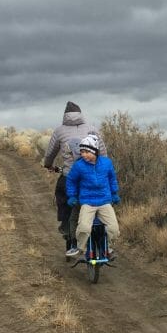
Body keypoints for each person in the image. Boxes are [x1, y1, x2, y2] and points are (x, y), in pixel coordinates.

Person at [41, 101, 107, 242]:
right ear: (80, 114)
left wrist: (48, 165)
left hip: (70, 175)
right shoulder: (93, 129)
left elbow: (50, 153)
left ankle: (66, 225)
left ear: (65, 115)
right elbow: (103, 154)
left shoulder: (60, 131)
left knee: (62, 192)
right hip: (92, 175)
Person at [64, 133, 120, 258]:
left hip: (104, 201)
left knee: (113, 228)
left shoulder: (106, 163)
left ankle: (107, 248)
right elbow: (71, 181)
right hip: (87, 202)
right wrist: (72, 196)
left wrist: (114, 193)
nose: (83, 154)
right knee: (84, 227)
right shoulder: (79, 165)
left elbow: (112, 179)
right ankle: (80, 248)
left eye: (86, 151)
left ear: (94, 151)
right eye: (81, 151)